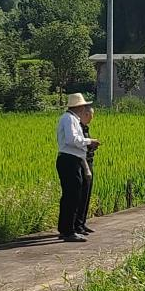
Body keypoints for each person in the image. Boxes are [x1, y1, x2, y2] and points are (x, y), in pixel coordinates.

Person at [56, 93, 99, 242]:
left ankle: (68, 228)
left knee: (73, 194)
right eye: (83, 106)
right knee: (71, 195)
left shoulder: (71, 118)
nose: (84, 109)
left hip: (72, 159)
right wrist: (89, 141)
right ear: (79, 107)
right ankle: (68, 231)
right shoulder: (69, 119)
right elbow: (71, 139)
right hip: (69, 159)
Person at [74, 104, 97, 236]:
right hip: (82, 162)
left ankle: (82, 223)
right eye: (90, 116)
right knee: (80, 194)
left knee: (87, 194)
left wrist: (92, 147)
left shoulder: (85, 128)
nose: (91, 119)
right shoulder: (78, 128)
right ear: (85, 114)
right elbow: (78, 145)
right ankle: (77, 225)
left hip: (88, 160)